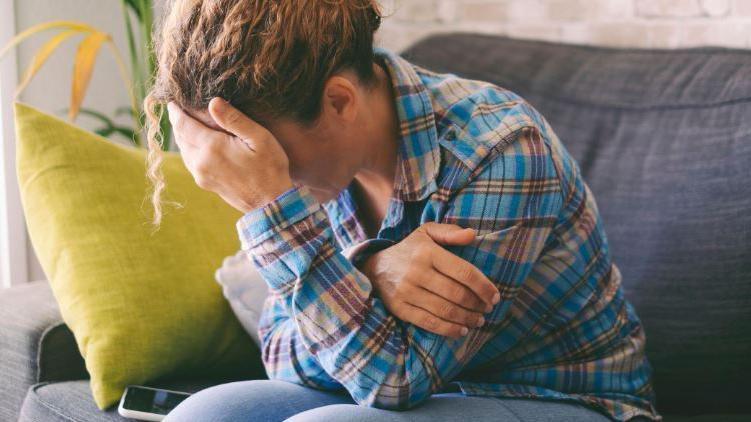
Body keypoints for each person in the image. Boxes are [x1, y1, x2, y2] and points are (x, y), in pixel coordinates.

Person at [146, 1, 661, 421]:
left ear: (340, 102)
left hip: (558, 400)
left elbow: (394, 379)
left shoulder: (498, 148)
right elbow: (280, 352)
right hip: (410, 392)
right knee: (206, 414)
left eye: (273, 163)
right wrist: (368, 268)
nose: (270, 178)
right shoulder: (317, 159)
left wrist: (272, 205)